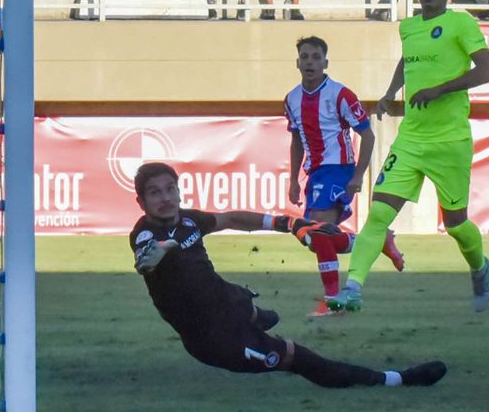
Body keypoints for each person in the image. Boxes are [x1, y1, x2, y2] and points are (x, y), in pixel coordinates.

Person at [128, 162, 444, 389]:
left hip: (228, 302)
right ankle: (394, 380)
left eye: (170, 189)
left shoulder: (188, 220)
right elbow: (146, 258)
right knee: (301, 359)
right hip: (214, 340)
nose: (166, 197)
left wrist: (286, 223)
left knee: (252, 299)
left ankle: (255, 313)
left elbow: (231, 219)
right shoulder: (145, 233)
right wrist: (152, 257)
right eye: (155, 193)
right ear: (141, 202)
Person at [327, 0, 489, 313]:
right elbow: (408, 60)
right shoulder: (409, 27)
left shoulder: (460, 23)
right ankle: (353, 288)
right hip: (411, 140)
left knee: (456, 224)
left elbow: (486, 71)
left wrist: (440, 89)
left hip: (450, 141)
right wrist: (391, 93)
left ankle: (480, 268)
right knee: (377, 215)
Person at [282, 36, 402, 314]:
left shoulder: (340, 94)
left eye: (315, 57)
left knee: (319, 235)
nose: (309, 61)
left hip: (339, 170)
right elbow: (297, 140)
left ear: (326, 62)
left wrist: (358, 176)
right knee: (315, 240)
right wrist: (293, 180)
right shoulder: (292, 99)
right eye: (305, 56)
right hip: (315, 173)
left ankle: (334, 301)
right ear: (297, 62)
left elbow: (367, 135)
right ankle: (376, 241)